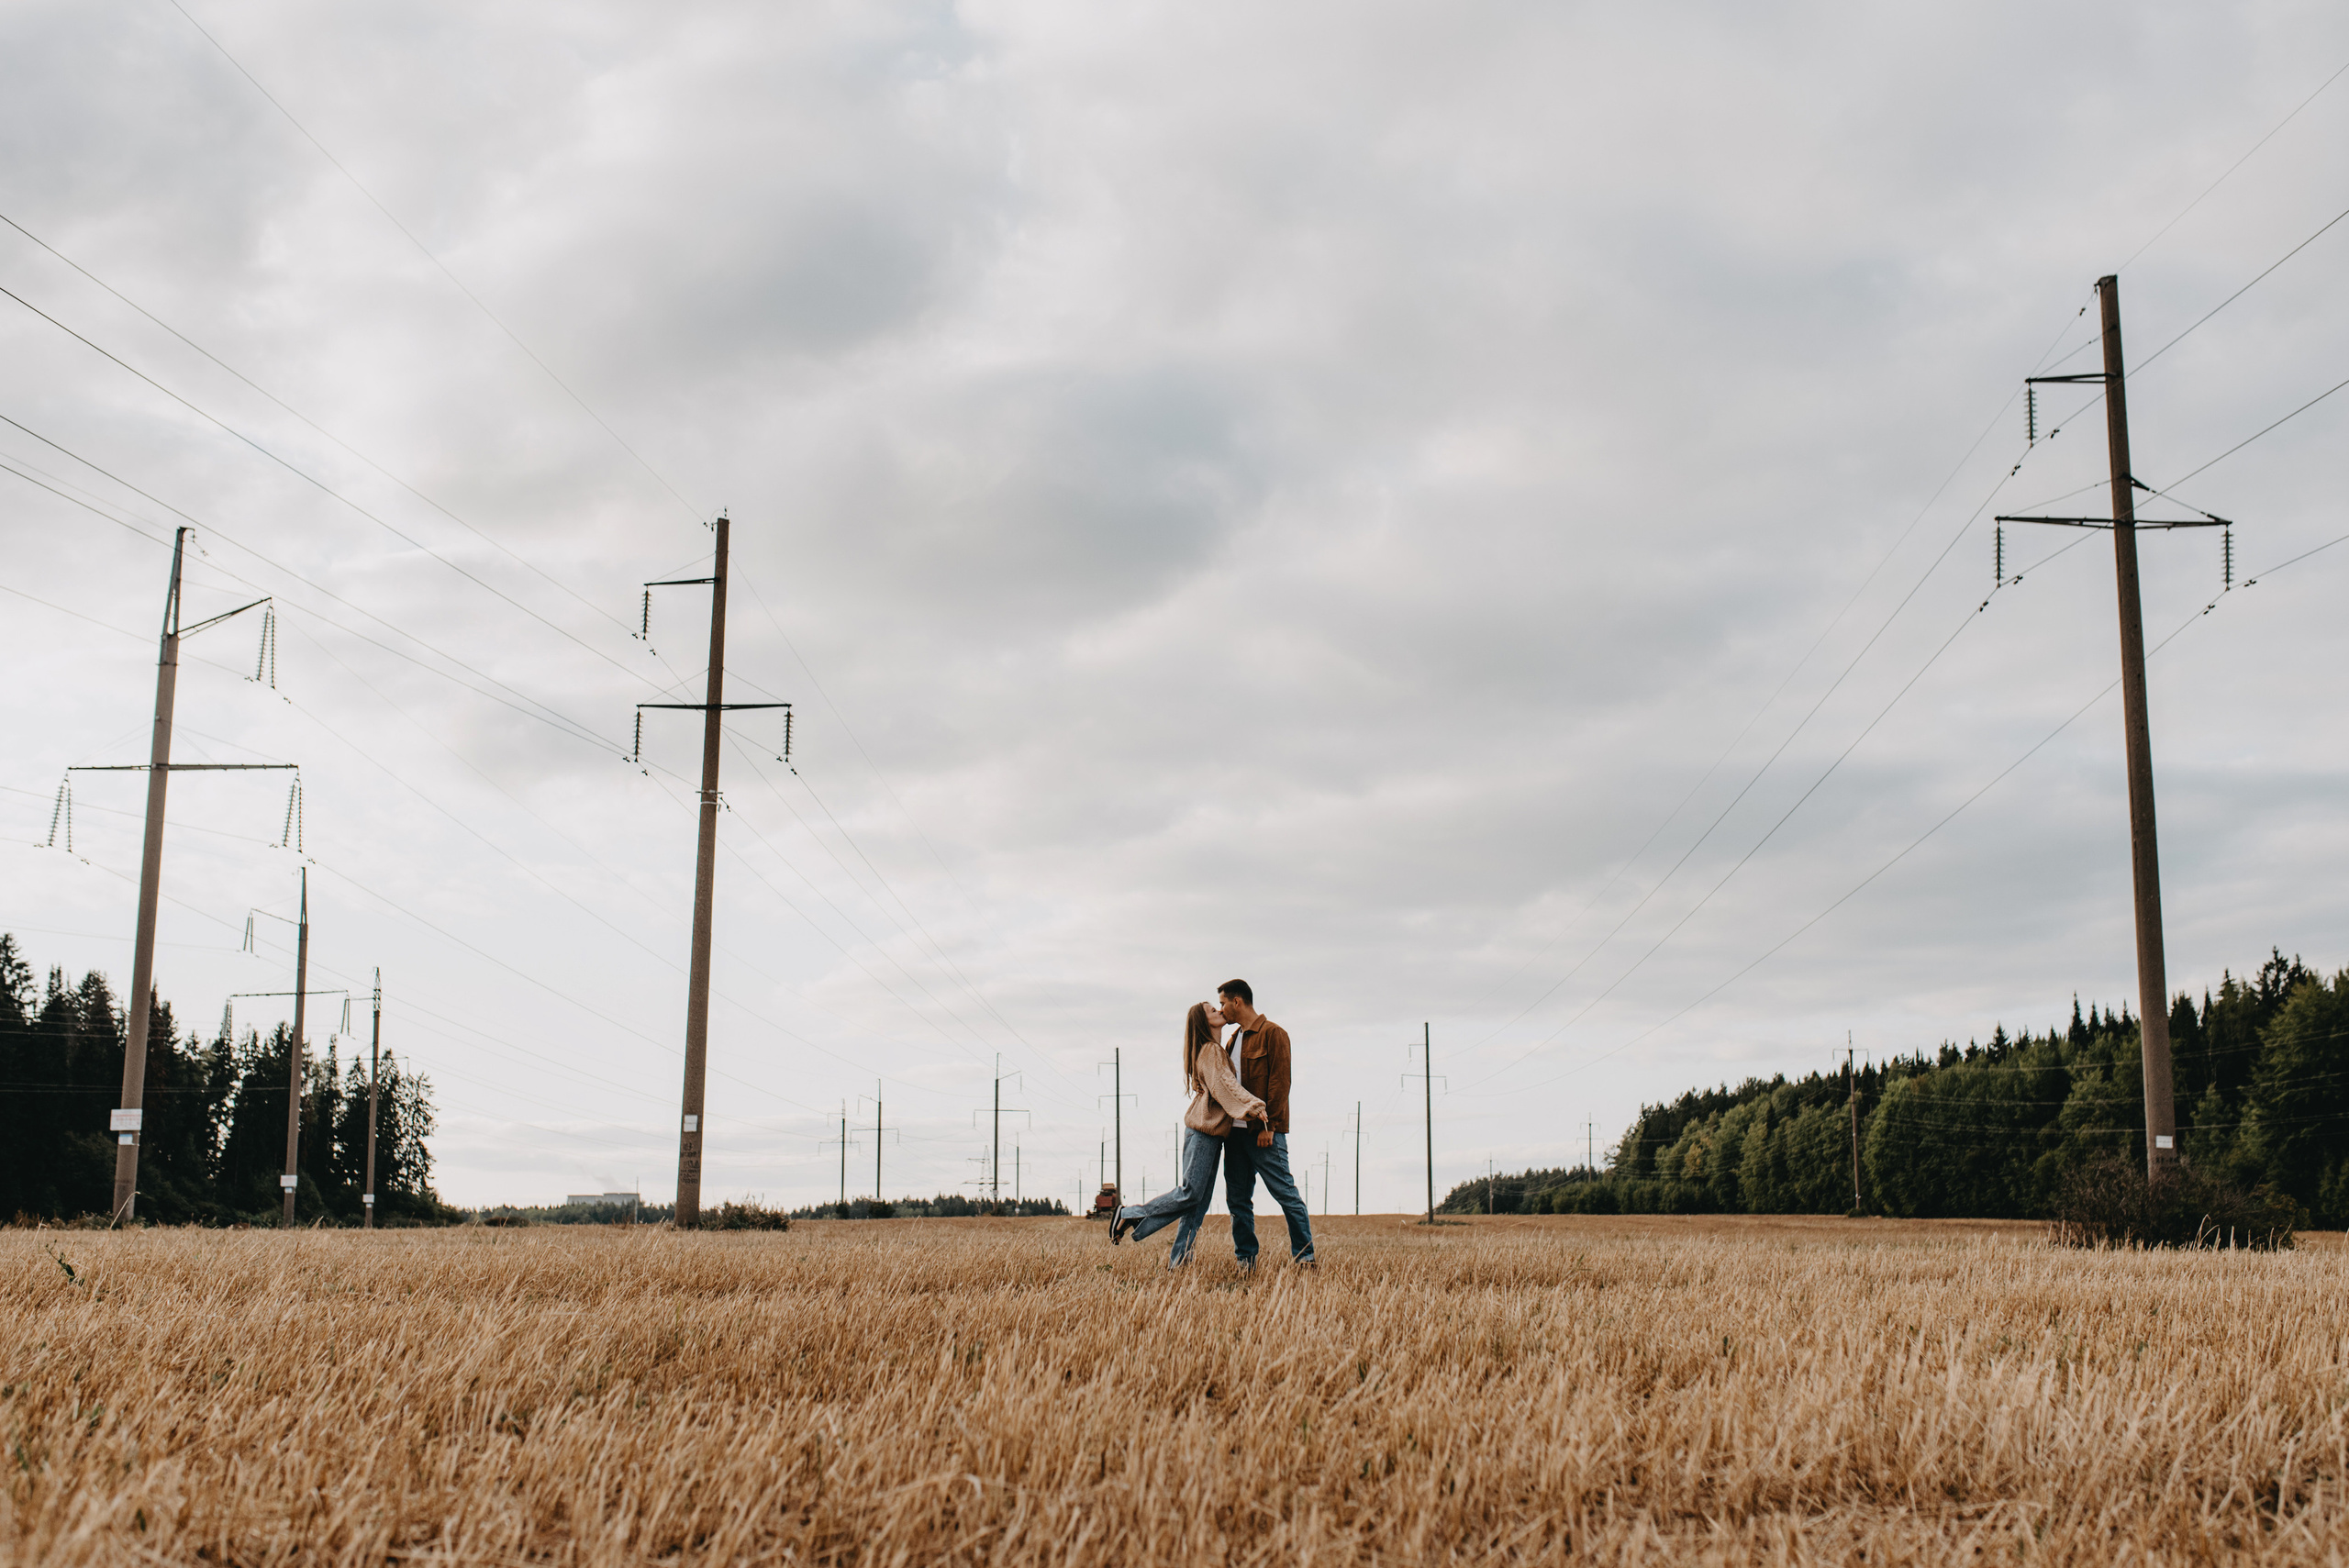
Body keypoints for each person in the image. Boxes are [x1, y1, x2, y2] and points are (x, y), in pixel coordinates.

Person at [1110, 1001, 1267, 1266]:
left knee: (1197, 1204)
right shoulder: (1210, 1050)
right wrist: (1253, 1106)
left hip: (1211, 1135)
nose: (1219, 1011)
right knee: (1190, 1194)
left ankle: (1179, 1260)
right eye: (1212, 1011)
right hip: (1203, 1133)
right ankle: (1129, 1213)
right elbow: (1225, 1086)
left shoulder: (1214, 1050)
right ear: (1205, 1022)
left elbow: (1222, 1085)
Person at [1218, 979, 1315, 1269]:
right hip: (1234, 1135)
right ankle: (1245, 1260)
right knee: (1237, 1201)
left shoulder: (1274, 1034)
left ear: (1237, 1001)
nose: (1221, 1009)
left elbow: (1280, 1082)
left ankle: (1305, 1258)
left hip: (1263, 1133)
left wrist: (1268, 1126)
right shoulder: (1232, 1040)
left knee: (1286, 1194)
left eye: (1223, 1002)